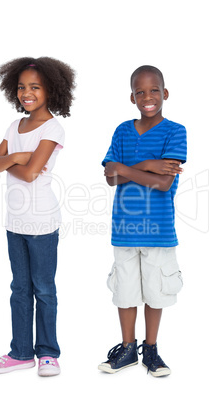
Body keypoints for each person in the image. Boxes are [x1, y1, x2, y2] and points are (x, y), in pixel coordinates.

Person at [0, 57, 75, 376]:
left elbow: (31, 173)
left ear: (51, 90)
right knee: (19, 289)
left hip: (42, 223)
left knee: (44, 289)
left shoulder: (53, 127)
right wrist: (17, 156)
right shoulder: (15, 126)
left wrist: (12, 160)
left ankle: (48, 353)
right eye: (22, 86)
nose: (27, 92)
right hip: (14, 223)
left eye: (35, 87)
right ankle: (21, 353)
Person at [98, 65, 187, 377]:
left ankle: (150, 348)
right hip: (124, 228)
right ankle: (126, 349)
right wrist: (149, 164)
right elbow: (109, 176)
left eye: (153, 91)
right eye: (140, 92)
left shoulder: (176, 131)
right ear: (132, 97)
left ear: (164, 93)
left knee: (155, 290)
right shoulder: (123, 130)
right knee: (124, 292)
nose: (147, 97)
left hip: (158, 231)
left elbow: (164, 184)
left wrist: (124, 169)